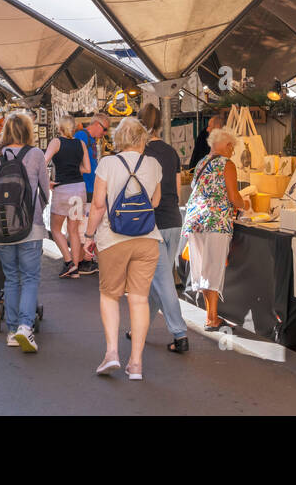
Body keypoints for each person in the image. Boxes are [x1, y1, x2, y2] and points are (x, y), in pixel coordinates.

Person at [83, 115, 162, 379]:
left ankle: (112, 354)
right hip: (147, 238)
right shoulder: (153, 164)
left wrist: (88, 235)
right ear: (142, 139)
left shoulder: (107, 163)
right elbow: (156, 201)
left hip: (113, 239)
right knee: (139, 300)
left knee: (110, 295)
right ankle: (136, 364)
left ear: (118, 138)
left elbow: (97, 205)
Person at [0, 110, 48, 350]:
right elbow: (45, 190)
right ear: (28, 131)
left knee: (11, 278)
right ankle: (25, 327)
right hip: (31, 226)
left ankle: (11, 331)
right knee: (30, 277)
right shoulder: (36, 154)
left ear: (5, 132)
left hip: (2, 227)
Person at [181, 125, 247, 331]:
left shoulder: (201, 162)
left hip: (195, 220)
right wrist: (247, 205)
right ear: (226, 146)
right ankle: (212, 318)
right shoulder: (226, 164)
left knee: (203, 269)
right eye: (232, 148)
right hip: (215, 221)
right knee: (213, 269)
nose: (232, 152)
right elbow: (234, 197)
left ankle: (211, 314)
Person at [136, 103, 189, 353]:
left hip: (152, 224)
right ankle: (139, 327)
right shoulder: (171, 152)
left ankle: (179, 334)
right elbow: (177, 192)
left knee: (163, 281)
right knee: (161, 279)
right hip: (173, 221)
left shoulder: (141, 154)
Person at [44, 114, 91, 279]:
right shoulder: (81, 143)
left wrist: (48, 181)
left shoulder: (56, 142)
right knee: (74, 230)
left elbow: (43, 162)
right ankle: (75, 268)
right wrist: (74, 168)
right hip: (80, 189)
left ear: (60, 127)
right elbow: (87, 169)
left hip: (63, 189)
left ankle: (69, 262)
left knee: (56, 228)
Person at [73, 113, 110, 275]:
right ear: (96, 124)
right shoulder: (82, 136)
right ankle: (84, 261)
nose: (105, 134)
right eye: (105, 129)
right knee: (84, 226)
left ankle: (84, 260)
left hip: (89, 187)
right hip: (85, 188)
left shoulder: (90, 140)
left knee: (87, 225)